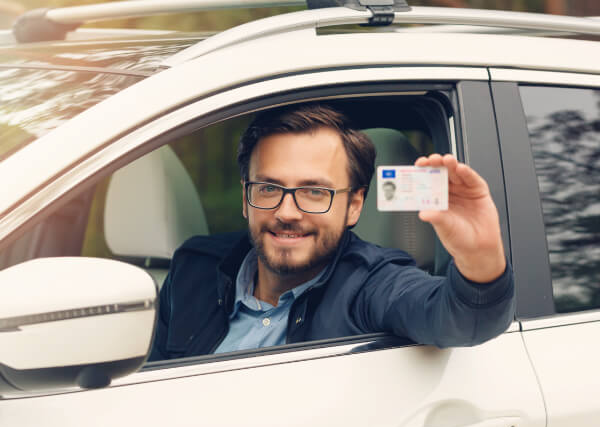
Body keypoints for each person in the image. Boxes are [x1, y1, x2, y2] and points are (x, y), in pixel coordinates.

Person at [149, 103, 514, 360]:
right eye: (268, 188)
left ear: (354, 205)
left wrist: (480, 258)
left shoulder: (372, 284)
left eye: (314, 192)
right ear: (246, 197)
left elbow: (464, 320)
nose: (286, 212)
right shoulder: (192, 269)